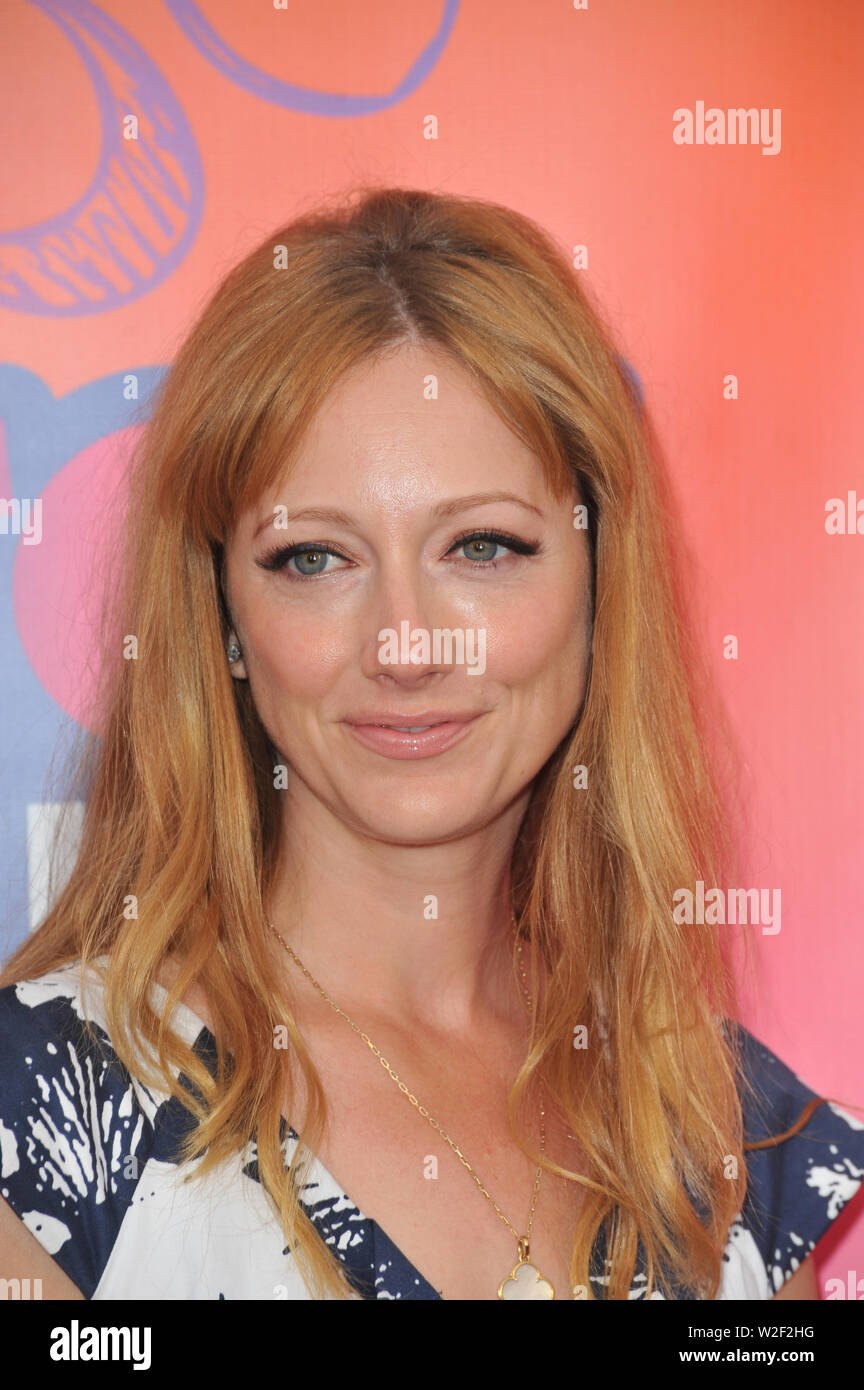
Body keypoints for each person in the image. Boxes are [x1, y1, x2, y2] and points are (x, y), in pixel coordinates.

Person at [0, 188, 861, 1302]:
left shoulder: (731, 1142)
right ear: (224, 618)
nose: (404, 643)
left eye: (484, 546)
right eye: (314, 558)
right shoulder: (46, 1114)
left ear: (601, 588)